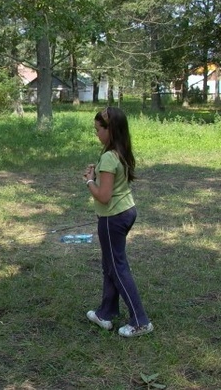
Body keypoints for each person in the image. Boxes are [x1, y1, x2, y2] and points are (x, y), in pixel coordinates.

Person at [83, 106, 154, 338]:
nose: (96, 134)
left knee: (117, 267)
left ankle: (140, 320)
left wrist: (89, 181)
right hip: (125, 212)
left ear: (109, 130)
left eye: (98, 129)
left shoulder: (107, 157)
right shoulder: (121, 151)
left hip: (112, 218)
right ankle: (106, 312)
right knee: (110, 265)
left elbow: (103, 196)